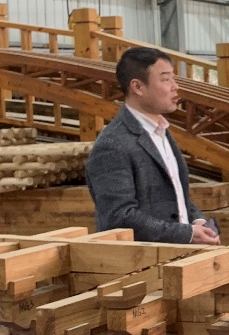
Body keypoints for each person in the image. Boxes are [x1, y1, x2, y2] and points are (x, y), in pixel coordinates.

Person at [86, 47, 220, 245]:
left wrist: (197, 221)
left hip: (178, 254)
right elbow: (119, 218)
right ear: (138, 87)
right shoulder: (112, 145)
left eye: (173, 78)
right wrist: (186, 234)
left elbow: (175, 198)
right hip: (145, 260)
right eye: (165, 79)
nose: (175, 86)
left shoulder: (161, 132)